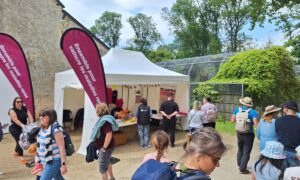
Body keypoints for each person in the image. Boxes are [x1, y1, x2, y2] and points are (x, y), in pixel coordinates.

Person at [36, 108, 67, 180]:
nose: (41, 117)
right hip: (46, 161)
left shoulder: (56, 130)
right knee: (58, 178)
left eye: (43, 116)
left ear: (51, 117)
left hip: (54, 161)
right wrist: (38, 161)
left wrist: (63, 164)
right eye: (40, 115)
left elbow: (62, 148)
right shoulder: (43, 129)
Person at [231, 97, 259, 174]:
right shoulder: (253, 112)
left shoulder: (237, 110)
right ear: (250, 104)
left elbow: (232, 120)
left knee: (240, 149)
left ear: (242, 103)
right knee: (246, 151)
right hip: (249, 134)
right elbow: (256, 125)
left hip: (239, 132)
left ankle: (240, 164)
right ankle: (243, 169)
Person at [91, 103, 119, 180]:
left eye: (96, 109)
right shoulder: (105, 119)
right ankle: (112, 178)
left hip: (106, 147)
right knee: (107, 162)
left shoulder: (105, 121)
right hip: (108, 146)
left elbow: (109, 134)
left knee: (102, 169)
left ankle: (110, 178)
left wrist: (104, 148)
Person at [275, 100, 300, 168]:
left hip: (281, 152)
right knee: (294, 176)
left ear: (286, 109)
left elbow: (277, 134)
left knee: (281, 175)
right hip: (295, 153)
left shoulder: (278, 120)